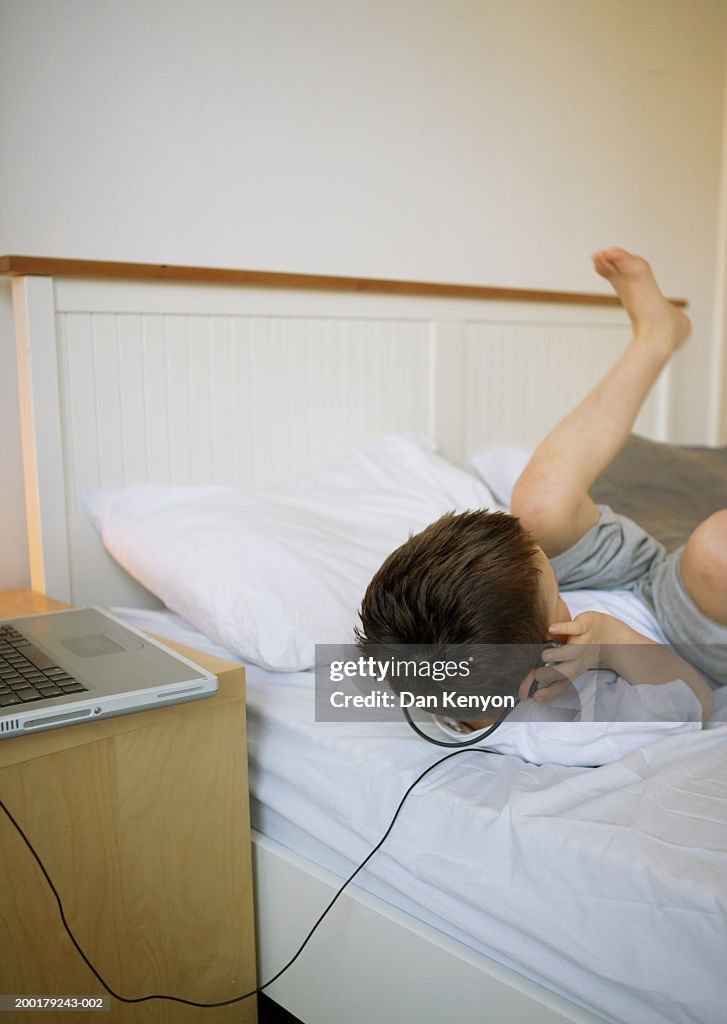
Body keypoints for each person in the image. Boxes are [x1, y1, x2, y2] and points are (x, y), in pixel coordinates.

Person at [356, 249, 724, 728]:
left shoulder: (457, 675)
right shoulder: (572, 714)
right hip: (679, 632)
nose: (551, 570)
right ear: (538, 668)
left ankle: (657, 336)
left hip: (619, 580)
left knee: (541, 506)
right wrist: (611, 642)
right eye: (556, 597)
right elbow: (698, 702)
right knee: (714, 548)